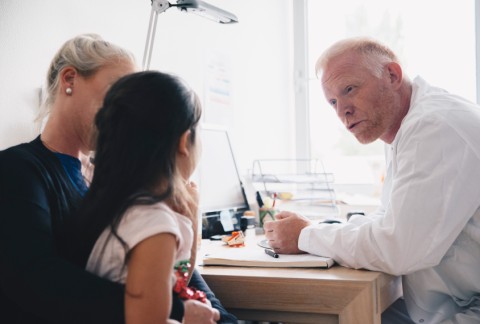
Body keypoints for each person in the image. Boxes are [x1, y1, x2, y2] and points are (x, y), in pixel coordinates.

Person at [0, 34, 236, 324]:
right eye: (116, 94)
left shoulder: (116, 178)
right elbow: (37, 280)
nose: (126, 112)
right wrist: (175, 310)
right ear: (69, 79)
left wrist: (221, 317)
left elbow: (160, 264)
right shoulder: (18, 171)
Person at [264, 37, 480, 323]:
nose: (342, 111)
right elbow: (389, 221)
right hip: (452, 301)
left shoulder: (433, 126)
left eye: (350, 89)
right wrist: (313, 229)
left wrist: (304, 236)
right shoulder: (406, 130)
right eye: (333, 102)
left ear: (392, 75)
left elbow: (397, 247)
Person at [62, 70, 216, 324]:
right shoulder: (154, 225)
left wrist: (189, 212)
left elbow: (171, 287)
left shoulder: (116, 206)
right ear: (183, 141)